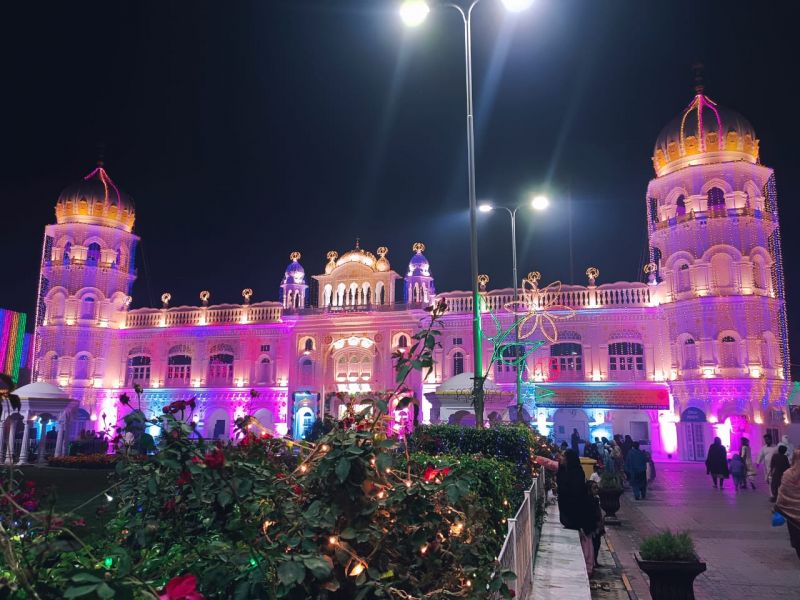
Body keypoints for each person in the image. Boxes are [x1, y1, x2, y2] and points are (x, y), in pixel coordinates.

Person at [557, 449, 600, 575]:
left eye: (564, 456)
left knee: (586, 540)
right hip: (571, 515)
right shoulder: (567, 472)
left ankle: (588, 566)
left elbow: (574, 494)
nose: (561, 458)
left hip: (579, 514)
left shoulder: (575, 473)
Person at [775, 449, 800, 561]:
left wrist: (778, 506)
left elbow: (782, 493)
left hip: (792, 517)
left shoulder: (788, 474)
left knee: (797, 541)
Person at [586, 480, 605, 569]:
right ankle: (591, 561)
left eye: (597, 488)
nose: (596, 490)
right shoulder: (589, 501)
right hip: (592, 526)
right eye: (594, 488)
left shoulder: (596, 499)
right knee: (593, 545)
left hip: (598, 525)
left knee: (597, 544)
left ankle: (595, 561)